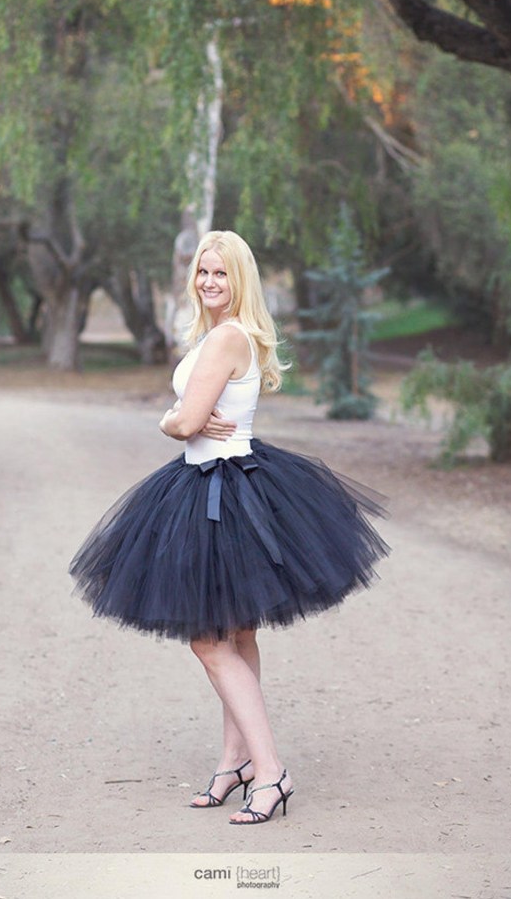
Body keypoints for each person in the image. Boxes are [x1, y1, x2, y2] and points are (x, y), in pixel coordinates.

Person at [69, 229, 389, 825]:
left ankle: (271, 773)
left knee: (207, 640)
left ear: (239, 279)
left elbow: (188, 421)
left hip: (221, 490)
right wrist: (186, 421)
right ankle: (234, 763)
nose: (210, 282)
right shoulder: (231, 334)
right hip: (229, 484)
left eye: (220, 273)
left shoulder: (225, 338)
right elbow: (197, 420)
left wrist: (171, 418)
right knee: (238, 636)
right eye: (202, 272)